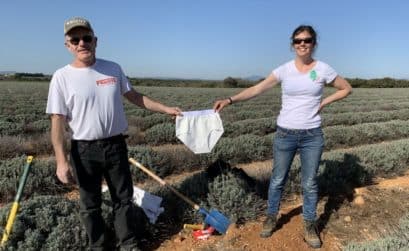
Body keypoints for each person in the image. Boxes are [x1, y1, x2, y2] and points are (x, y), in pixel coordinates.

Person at [46, 17, 182, 251]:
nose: (82, 43)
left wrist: (166, 109)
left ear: (95, 41)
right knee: (90, 204)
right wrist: (61, 161)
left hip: (116, 146)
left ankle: (128, 244)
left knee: (123, 199)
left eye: (86, 38)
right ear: (68, 45)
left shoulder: (113, 68)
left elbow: (135, 96)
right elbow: (57, 121)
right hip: (84, 149)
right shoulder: (61, 77)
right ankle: (98, 246)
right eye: (75, 39)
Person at [213, 25, 352, 249]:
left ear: (314, 43)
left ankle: (309, 224)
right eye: (297, 40)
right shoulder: (285, 70)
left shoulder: (323, 69)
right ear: (293, 44)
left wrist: (324, 102)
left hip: (312, 135)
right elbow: (257, 89)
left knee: (309, 183)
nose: (302, 44)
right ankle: (271, 217)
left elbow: (346, 88)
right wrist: (230, 100)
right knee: (278, 179)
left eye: (307, 40)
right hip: (285, 133)